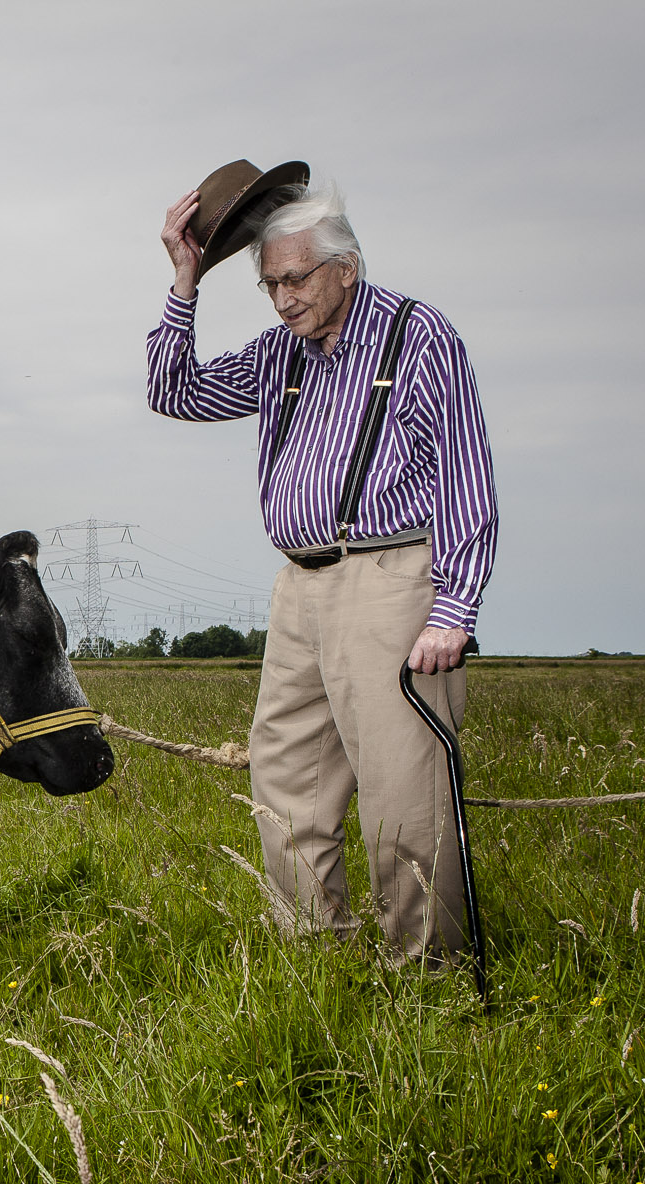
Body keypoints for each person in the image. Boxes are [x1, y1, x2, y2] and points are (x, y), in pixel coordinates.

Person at [146, 160, 498, 962]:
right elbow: (174, 390)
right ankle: (322, 963)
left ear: (345, 266)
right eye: (269, 285)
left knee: (403, 796)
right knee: (283, 786)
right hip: (297, 590)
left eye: (296, 279)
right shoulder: (281, 354)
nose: (283, 298)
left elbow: (465, 477)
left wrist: (454, 608)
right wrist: (185, 280)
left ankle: (428, 977)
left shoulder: (417, 337)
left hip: (390, 581)